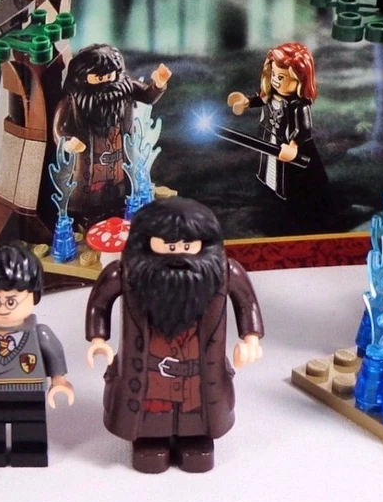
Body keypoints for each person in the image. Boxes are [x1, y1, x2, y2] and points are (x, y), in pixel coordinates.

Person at [85, 197, 264, 473]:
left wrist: (250, 339)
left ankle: (195, 438)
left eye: (187, 246)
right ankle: (149, 440)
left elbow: (246, 302)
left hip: (199, 373)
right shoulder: (128, 273)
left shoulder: (222, 272)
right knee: (152, 414)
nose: (179, 254)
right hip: (149, 372)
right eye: (169, 247)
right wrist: (98, 340)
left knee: (197, 413)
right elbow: (100, 303)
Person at [0, 244, 73, 468]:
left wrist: (59, 382)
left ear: (34, 296)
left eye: (11, 301)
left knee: (30, 430)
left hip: (29, 391)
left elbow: (54, 357)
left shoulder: (40, 334)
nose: (3, 308)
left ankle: (30, 451)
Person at [53, 43, 171, 225]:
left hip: (119, 158)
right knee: (92, 194)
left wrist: (159, 84)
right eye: (99, 77)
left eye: (110, 75)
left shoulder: (124, 89)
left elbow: (148, 96)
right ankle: (88, 219)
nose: (106, 81)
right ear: (82, 77)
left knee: (119, 189)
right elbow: (59, 128)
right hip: (91, 162)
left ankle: (118, 211)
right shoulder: (74, 100)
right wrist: (68, 142)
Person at [227, 41, 329, 207]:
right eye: (273, 74)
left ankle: (301, 205)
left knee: (294, 179)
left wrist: (293, 146)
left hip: (289, 147)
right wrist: (247, 102)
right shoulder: (272, 95)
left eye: (281, 77)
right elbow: (262, 100)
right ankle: (271, 196)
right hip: (270, 139)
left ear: (299, 79)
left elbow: (304, 128)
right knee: (269, 171)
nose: (274, 80)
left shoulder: (299, 105)